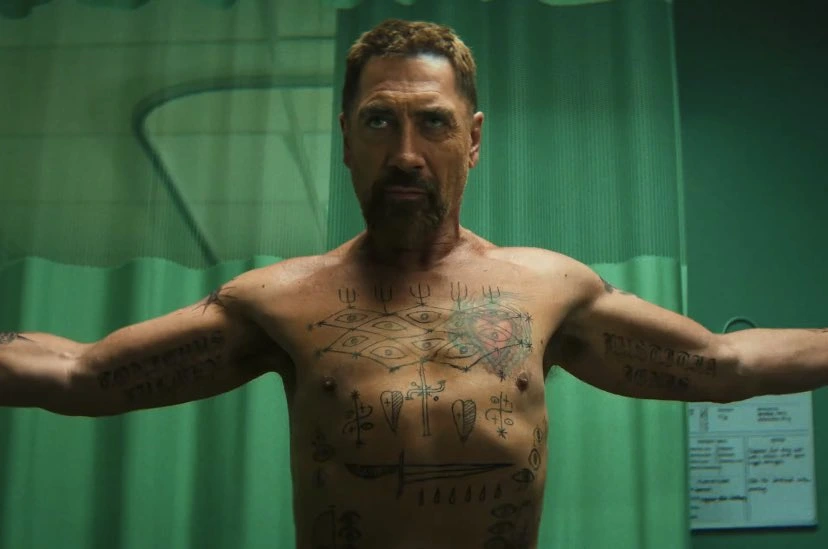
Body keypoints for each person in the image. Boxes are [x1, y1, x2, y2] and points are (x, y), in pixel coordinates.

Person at [1, 18, 826, 549]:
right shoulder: (280, 302)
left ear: (473, 139)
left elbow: (722, 363)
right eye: (378, 122)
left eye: (432, 122)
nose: (405, 153)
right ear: (345, 139)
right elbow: (83, 374)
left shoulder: (547, 291)